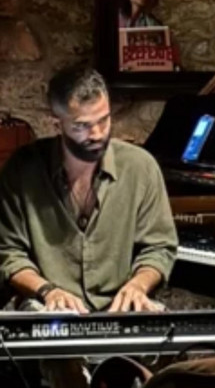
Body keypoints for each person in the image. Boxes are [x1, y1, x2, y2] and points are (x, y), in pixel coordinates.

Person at [0, 64, 178, 386]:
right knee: (55, 341)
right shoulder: (22, 170)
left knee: (164, 333)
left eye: (103, 120)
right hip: (47, 304)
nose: (96, 134)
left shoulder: (141, 167)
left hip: (119, 305)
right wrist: (48, 291)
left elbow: (160, 246)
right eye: (81, 126)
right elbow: (8, 253)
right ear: (56, 123)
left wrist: (138, 285)